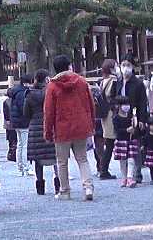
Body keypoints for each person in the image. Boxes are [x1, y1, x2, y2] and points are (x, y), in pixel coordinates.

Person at [44, 55, 95, 201]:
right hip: (81, 125)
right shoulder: (81, 81)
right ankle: (88, 187)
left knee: (62, 161)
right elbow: (91, 104)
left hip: (62, 128)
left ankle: (65, 190)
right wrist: (91, 124)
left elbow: (48, 112)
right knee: (82, 158)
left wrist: (47, 133)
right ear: (69, 66)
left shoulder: (52, 86)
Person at [24, 69, 59, 195]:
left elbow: (25, 114)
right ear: (46, 79)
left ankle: (40, 185)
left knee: (38, 159)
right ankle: (58, 183)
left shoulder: (29, 94)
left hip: (35, 128)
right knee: (56, 157)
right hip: (51, 126)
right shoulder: (51, 92)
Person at [113, 58, 149, 183]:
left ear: (133, 67)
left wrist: (142, 118)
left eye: (128, 65)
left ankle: (136, 172)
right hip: (121, 114)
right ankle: (125, 175)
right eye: (123, 65)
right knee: (122, 144)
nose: (125, 68)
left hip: (134, 114)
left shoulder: (138, 83)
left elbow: (143, 102)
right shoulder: (118, 82)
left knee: (135, 143)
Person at [97, 59, 118, 180]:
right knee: (110, 143)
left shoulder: (102, 81)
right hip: (112, 113)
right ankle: (104, 170)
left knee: (108, 143)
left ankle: (103, 169)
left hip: (104, 114)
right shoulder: (113, 81)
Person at [112, 95, 139, 188]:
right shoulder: (116, 118)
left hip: (131, 140)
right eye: (124, 104)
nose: (126, 106)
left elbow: (135, 127)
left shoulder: (131, 116)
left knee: (131, 159)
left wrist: (134, 128)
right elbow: (116, 131)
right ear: (118, 106)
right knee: (122, 160)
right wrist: (126, 130)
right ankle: (124, 177)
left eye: (127, 104)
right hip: (121, 140)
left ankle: (130, 177)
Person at [10, 74, 32, 177]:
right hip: (23, 122)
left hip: (16, 121)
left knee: (20, 145)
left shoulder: (15, 92)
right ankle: (26, 167)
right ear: (26, 83)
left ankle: (20, 168)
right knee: (24, 146)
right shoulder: (23, 93)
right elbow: (24, 108)